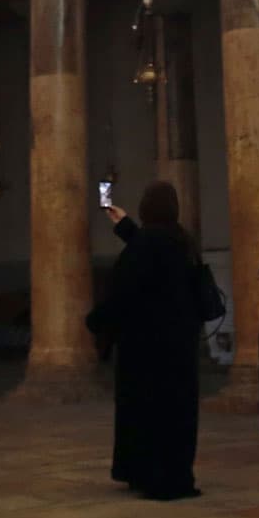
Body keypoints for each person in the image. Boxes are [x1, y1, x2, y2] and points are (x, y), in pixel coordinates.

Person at [87, 181, 207, 501]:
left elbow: (126, 291)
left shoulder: (144, 248)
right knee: (176, 413)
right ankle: (175, 474)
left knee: (145, 413)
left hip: (145, 349)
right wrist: (125, 226)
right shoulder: (183, 242)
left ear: (146, 210)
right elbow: (156, 254)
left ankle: (146, 473)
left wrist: (95, 322)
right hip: (180, 347)